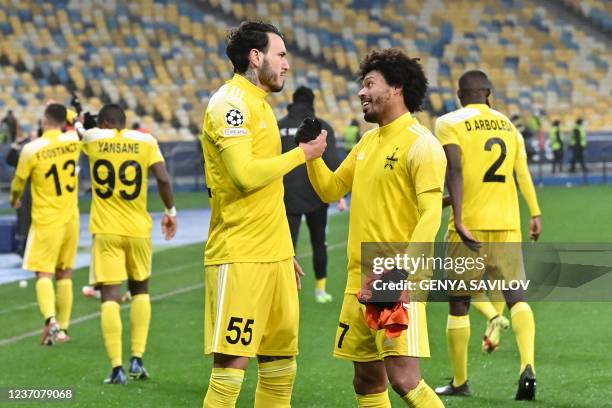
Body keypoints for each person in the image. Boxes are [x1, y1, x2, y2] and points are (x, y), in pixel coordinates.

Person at [306, 48, 446, 407]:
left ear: (396, 88)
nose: (361, 93)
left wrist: (402, 272)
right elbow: (330, 189)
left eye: (369, 84)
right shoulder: (368, 142)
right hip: (359, 281)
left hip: (396, 281)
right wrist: (312, 155)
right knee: (367, 380)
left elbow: (431, 215)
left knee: (404, 379)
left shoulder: (422, 144)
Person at [200, 21, 326, 407]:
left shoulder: (261, 105)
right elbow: (243, 176)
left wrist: (285, 248)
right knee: (231, 369)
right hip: (240, 256)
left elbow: (269, 191)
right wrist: (301, 155)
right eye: (281, 54)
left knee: (280, 367)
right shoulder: (230, 105)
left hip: (274, 256)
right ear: (256, 58)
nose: (287, 64)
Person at [433, 70, 541, 401]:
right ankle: (528, 367)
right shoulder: (509, 126)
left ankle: (461, 382)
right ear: (489, 92)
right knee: (516, 297)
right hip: (507, 222)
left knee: (459, 302)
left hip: (469, 225)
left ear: (460, 94)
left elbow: (454, 169)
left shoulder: (449, 122)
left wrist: (458, 214)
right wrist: (535, 213)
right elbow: (521, 172)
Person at [78, 103, 177, 384]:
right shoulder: (145, 141)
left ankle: (116, 368)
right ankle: (137, 359)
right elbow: (163, 178)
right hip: (138, 230)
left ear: (105, 123)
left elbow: (78, 132)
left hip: (106, 230)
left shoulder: (93, 138)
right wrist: (170, 212)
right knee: (140, 291)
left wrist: (82, 122)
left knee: (109, 297)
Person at [9, 104, 80, 345]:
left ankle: (51, 321)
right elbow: (75, 120)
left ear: (44, 120)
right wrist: (70, 114)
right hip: (71, 218)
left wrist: (14, 198)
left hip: (47, 220)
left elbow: (19, 182)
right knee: (65, 273)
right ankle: (64, 328)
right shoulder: (73, 139)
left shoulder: (32, 149)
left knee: (43, 273)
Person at [278, 85, 345, 303]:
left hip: (286, 196)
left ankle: (287, 291)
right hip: (317, 195)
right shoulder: (323, 127)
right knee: (319, 243)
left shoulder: (278, 126)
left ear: (293, 102)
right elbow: (333, 160)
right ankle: (320, 290)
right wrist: (340, 194)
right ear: (312, 102)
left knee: (287, 247)